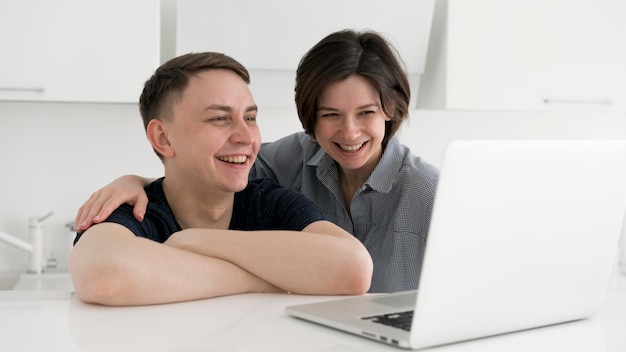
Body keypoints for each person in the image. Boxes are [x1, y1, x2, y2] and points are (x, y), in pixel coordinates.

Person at [74, 29, 439, 293]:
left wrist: (193, 242)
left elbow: (351, 269)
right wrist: (136, 181)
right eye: (330, 115)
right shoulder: (288, 162)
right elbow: (201, 172)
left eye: (250, 118)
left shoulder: (433, 192)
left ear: (391, 111)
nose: (349, 131)